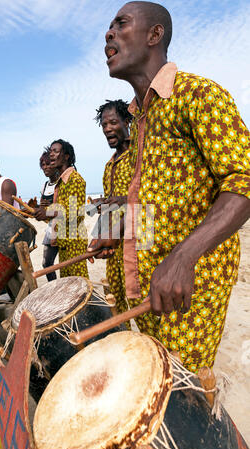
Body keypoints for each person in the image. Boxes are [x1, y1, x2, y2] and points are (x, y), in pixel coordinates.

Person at [88, 1, 250, 373]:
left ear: (154, 34)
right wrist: (122, 229)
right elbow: (158, 201)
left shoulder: (197, 94)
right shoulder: (142, 118)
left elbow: (243, 179)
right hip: (147, 284)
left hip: (189, 290)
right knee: (148, 378)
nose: (108, 33)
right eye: (109, 27)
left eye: (121, 24)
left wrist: (183, 257)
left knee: (177, 392)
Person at [92, 99, 134, 314]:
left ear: (127, 121)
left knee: (140, 305)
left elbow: (152, 198)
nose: (107, 128)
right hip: (112, 249)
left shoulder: (139, 156)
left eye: (112, 122)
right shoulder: (109, 165)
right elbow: (111, 207)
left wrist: (124, 200)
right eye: (103, 125)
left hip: (136, 247)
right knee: (116, 306)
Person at [34, 139, 89, 278]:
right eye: (51, 151)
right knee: (68, 283)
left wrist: (46, 212)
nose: (51, 154)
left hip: (74, 242)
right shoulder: (61, 182)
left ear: (66, 156)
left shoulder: (75, 179)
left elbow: (73, 212)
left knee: (79, 282)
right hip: (64, 240)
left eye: (56, 151)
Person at [39, 149, 60, 282]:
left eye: (48, 164)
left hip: (64, 227)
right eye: (43, 165)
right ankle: (54, 288)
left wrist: (48, 208)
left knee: (67, 263)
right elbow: (44, 211)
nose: (45, 167)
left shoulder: (62, 183)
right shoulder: (45, 186)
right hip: (51, 228)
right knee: (46, 264)